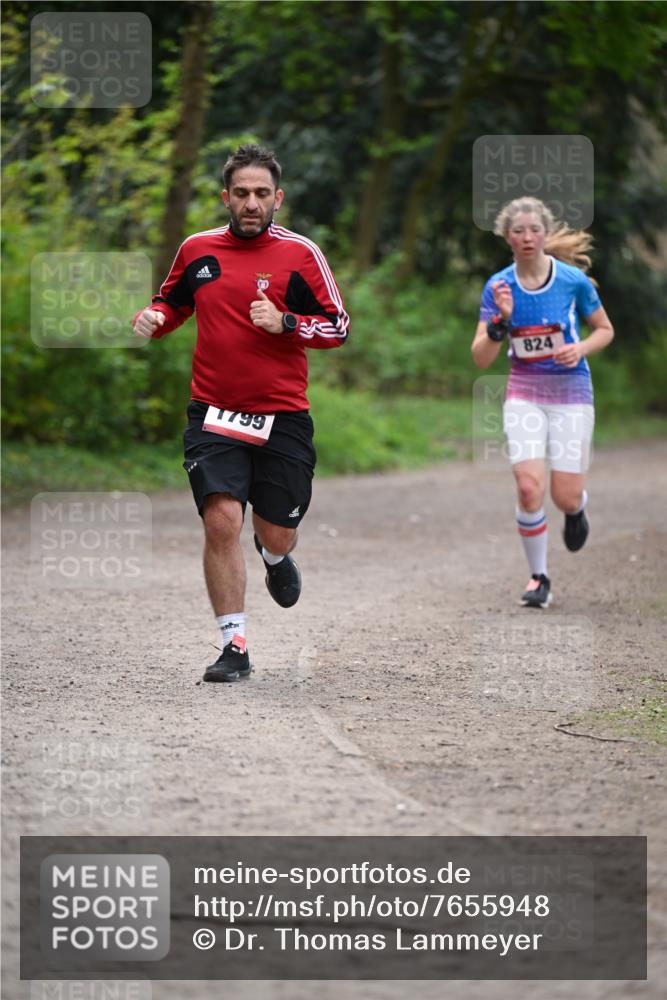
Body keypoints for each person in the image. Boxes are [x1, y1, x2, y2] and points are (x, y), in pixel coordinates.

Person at [133, 144, 349, 679]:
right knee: (220, 518)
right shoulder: (197, 249)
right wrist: (154, 317)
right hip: (214, 411)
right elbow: (173, 302)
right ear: (225, 197)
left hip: (283, 415)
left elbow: (338, 326)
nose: (251, 203)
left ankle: (274, 555)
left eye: (261, 194)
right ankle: (234, 646)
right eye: (242, 193)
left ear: (278, 198)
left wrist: (287, 323)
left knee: (276, 532)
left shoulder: (301, 254)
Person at [471, 196, 614, 608]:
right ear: (507, 237)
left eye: (534, 229)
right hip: (525, 392)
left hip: (571, 391)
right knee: (528, 487)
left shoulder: (571, 280)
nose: (527, 237)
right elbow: (481, 358)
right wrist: (501, 321)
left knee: (563, 496)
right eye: (518, 230)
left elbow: (604, 329)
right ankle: (539, 577)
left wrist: (580, 348)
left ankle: (576, 508)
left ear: (546, 234)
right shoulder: (498, 287)